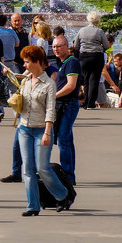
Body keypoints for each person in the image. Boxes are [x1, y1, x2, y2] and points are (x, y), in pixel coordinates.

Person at [14, 45, 72, 216]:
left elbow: (50, 109)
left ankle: (62, 195)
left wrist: (48, 131)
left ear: (37, 62)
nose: (24, 65)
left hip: (42, 129)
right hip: (24, 128)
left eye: (27, 62)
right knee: (28, 169)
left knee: (42, 167)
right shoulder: (25, 81)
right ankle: (32, 205)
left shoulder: (49, 84)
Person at [51, 35, 81, 181]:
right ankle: (69, 174)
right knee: (66, 138)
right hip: (64, 104)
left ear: (67, 46)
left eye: (59, 46)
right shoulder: (63, 63)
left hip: (68, 104)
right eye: (54, 47)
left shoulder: (72, 62)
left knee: (63, 138)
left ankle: (68, 175)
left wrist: (54, 96)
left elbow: (71, 85)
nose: (56, 49)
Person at [74, 12, 110, 110]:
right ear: (97, 21)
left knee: (86, 80)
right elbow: (106, 46)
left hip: (84, 56)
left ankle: (85, 103)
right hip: (96, 56)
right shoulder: (99, 31)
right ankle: (91, 104)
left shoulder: (81, 30)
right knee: (94, 80)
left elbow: (76, 46)